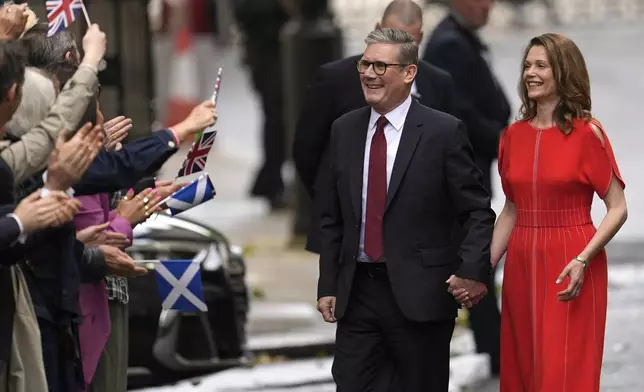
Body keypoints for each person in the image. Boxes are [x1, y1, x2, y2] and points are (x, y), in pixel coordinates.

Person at [317, 27, 494, 391]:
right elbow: (331, 216)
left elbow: (476, 211)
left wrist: (472, 271)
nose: (369, 74)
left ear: (409, 72)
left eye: (381, 67)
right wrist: (328, 284)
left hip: (421, 296)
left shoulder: (443, 132)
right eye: (365, 64)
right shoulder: (344, 130)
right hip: (359, 294)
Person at [452, 33, 628, 391]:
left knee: (562, 373)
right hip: (521, 264)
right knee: (523, 370)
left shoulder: (587, 134)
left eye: (541, 66)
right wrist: (479, 270)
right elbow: (510, 211)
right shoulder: (511, 137)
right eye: (527, 65)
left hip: (572, 262)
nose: (530, 73)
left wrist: (583, 258)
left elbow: (617, 208)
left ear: (563, 73)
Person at [294, 0, 457, 253]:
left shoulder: (439, 84)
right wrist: (334, 203)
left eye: (407, 43)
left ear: (420, 38)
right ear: (377, 28)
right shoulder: (335, 80)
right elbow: (307, 150)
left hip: (416, 242)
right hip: (347, 236)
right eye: (390, 38)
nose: (396, 51)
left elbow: (450, 157)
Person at [423, 0, 508, 373]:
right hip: (466, 167)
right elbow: (460, 113)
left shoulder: (460, 37)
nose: (489, 5)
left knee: (476, 254)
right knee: (474, 254)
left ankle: (496, 345)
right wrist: (503, 140)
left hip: (475, 163)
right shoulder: (449, 44)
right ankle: (496, 346)